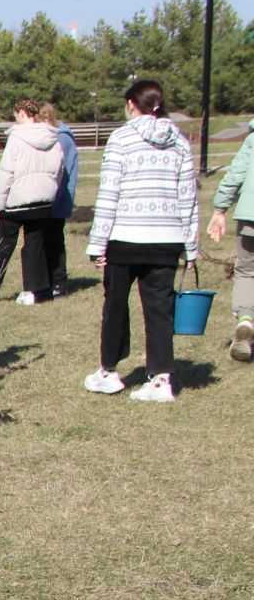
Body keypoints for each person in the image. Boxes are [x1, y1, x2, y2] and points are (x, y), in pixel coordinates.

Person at [84, 80, 199, 403]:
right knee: (160, 310)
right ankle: (162, 378)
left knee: (115, 306)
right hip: (167, 238)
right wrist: (191, 246)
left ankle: (108, 371)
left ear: (132, 105)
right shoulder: (180, 140)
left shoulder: (121, 138)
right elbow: (188, 197)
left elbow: (109, 193)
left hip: (125, 235)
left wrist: (97, 243)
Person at [0, 101, 63, 305]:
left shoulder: (17, 138)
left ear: (23, 113)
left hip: (18, 201)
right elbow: (59, 170)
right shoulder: (54, 138)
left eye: (16, 114)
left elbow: (6, 173)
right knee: (35, 244)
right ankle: (33, 291)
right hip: (43, 201)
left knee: (3, 243)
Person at [206, 118, 254, 363]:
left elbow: (235, 175)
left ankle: (246, 319)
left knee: (247, 272)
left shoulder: (252, 139)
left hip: (250, 216)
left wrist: (219, 210)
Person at [40, 101, 78, 297]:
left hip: (57, 199)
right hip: (45, 199)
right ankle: (45, 281)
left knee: (54, 241)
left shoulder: (62, 139)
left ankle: (58, 282)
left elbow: (61, 173)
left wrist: (53, 197)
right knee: (44, 240)